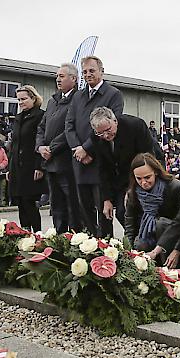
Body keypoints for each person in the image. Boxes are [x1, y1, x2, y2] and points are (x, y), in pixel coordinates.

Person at [65, 56, 123, 236]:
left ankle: (106, 246)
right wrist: (77, 149)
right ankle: (90, 246)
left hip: (100, 160)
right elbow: (69, 125)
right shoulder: (78, 97)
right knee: (85, 209)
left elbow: (113, 124)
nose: (88, 74)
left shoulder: (113, 94)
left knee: (103, 209)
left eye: (92, 70)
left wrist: (87, 149)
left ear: (101, 71)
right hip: (80, 161)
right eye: (85, 72)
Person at [89, 107, 155, 231]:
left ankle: (148, 239)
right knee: (122, 213)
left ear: (115, 121)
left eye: (108, 130)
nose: (106, 135)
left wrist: (132, 188)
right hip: (120, 178)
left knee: (138, 211)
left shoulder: (135, 126)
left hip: (145, 174)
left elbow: (148, 158)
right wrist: (107, 199)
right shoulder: (96, 137)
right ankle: (136, 241)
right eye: (100, 133)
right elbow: (103, 169)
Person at [125, 153, 180, 268]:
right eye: (139, 179)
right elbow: (130, 223)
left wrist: (177, 250)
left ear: (155, 172)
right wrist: (129, 251)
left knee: (159, 224)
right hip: (148, 239)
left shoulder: (173, 186)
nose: (143, 183)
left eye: (147, 177)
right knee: (140, 243)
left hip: (175, 240)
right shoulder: (133, 193)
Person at [35, 63, 81, 232]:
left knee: (72, 205)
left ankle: (75, 238)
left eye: (62, 76)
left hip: (67, 163)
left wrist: (52, 148)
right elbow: (41, 127)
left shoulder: (78, 99)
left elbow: (70, 129)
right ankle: (60, 238)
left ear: (73, 79)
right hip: (50, 163)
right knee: (56, 206)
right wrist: (40, 147)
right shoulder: (53, 101)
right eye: (57, 76)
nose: (58, 79)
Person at [8, 85, 45, 232]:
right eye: (18, 100)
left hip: (31, 166)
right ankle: (24, 233)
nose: (21, 102)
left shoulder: (40, 116)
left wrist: (40, 166)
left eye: (24, 99)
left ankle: (37, 234)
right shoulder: (18, 118)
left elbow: (41, 142)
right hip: (17, 166)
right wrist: (10, 168)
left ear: (33, 98)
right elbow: (14, 145)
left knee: (30, 203)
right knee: (21, 203)